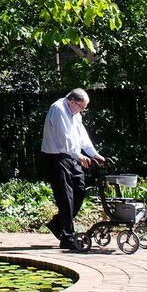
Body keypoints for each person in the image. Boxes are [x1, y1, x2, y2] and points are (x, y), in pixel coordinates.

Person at [40, 88, 106, 249]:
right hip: (56, 157)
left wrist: (94, 154)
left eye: (84, 107)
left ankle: (57, 224)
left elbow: (82, 136)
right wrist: (79, 156)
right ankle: (67, 237)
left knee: (80, 191)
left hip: (72, 156)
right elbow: (64, 139)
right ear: (71, 101)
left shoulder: (75, 114)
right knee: (65, 197)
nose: (82, 110)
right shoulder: (58, 109)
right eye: (81, 106)